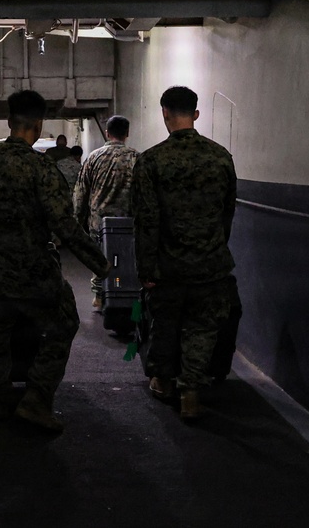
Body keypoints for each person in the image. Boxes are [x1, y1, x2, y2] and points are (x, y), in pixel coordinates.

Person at [0, 91, 109, 432]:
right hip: (33, 276)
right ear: (39, 124)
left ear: (9, 122)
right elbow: (65, 226)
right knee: (63, 325)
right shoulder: (41, 169)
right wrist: (103, 265)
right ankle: (35, 400)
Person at [131, 86, 241, 421]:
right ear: (195, 114)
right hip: (210, 265)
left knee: (165, 323)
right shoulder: (221, 157)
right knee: (202, 328)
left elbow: (146, 220)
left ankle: (163, 382)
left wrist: (147, 269)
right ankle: (190, 391)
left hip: (168, 265)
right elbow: (227, 213)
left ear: (164, 113)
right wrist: (214, 249)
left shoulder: (151, 161)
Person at [73, 115, 138, 312]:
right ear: (127, 134)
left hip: (99, 222)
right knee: (128, 258)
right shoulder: (137, 157)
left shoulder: (94, 157)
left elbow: (81, 193)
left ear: (107, 133)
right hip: (128, 222)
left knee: (100, 258)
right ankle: (127, 294)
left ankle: (99, 296)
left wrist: (76, 221)